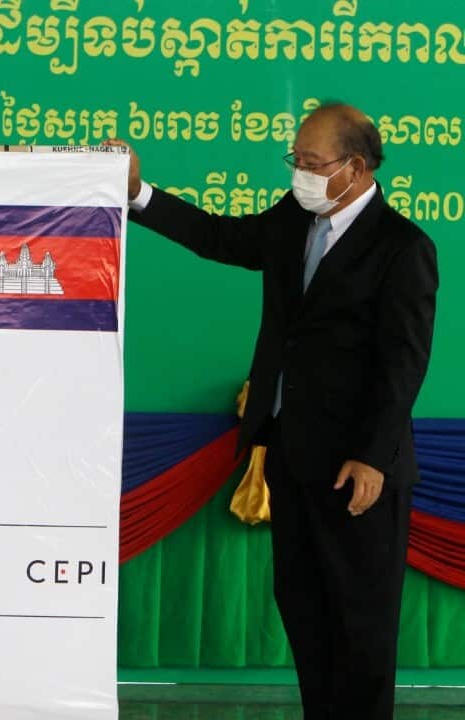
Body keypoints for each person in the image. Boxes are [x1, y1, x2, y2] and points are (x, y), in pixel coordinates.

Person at [106, 102, 437, 719]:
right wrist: (139, 194)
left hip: (357, 469)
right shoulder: (294, 219)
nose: (300, 174)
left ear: (357, 168)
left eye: (313, 163)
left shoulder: (402, 248)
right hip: (290, 452)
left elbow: (403, 366)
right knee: (306, 612)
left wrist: (372, 457)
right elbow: (219, 237)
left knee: (360, 627)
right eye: (296, 161)